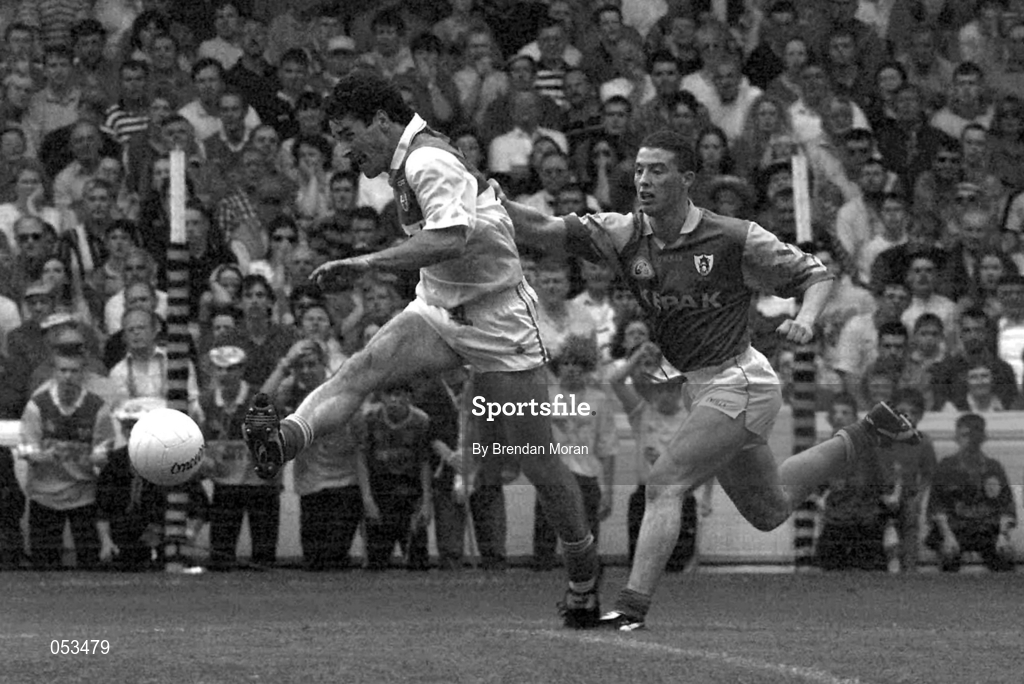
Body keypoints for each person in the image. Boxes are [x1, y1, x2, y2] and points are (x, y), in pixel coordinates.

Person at [497, 128, 922, 631]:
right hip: (705, 385)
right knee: (770, 509)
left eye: (657, 170)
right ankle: (866, 433)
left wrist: (806, 318)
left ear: (687, 179)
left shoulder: (733, 237)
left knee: (664, 483)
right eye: (638, 171)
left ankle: (631, 607)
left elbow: (816, 274)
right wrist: (499, 204)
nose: (644, 180)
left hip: (741, 381)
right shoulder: (623, 233)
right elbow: (544, 229)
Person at [241, 70, 601, 626]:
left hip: (499, 323)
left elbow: (450, 238)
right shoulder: (412, 158)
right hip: (437, 309)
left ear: (382, 122)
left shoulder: (427, 161)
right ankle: (284, 438)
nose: (343, 147)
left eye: (348, 132)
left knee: (538, 462)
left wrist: (364, 264)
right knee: (359, 370)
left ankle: (582, 573)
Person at [926, 413, 1017, 573]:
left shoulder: (993, 468)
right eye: (965, 435)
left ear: (983, 437)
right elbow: (936, 505)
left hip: (986, 529)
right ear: (956, 437)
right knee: (948, 554)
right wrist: (947, 536)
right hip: (954, 529)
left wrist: (1003, 536)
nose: (970, 441)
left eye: (975, 435)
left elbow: (1006, 506)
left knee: (1005, 556)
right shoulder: (946, 467)